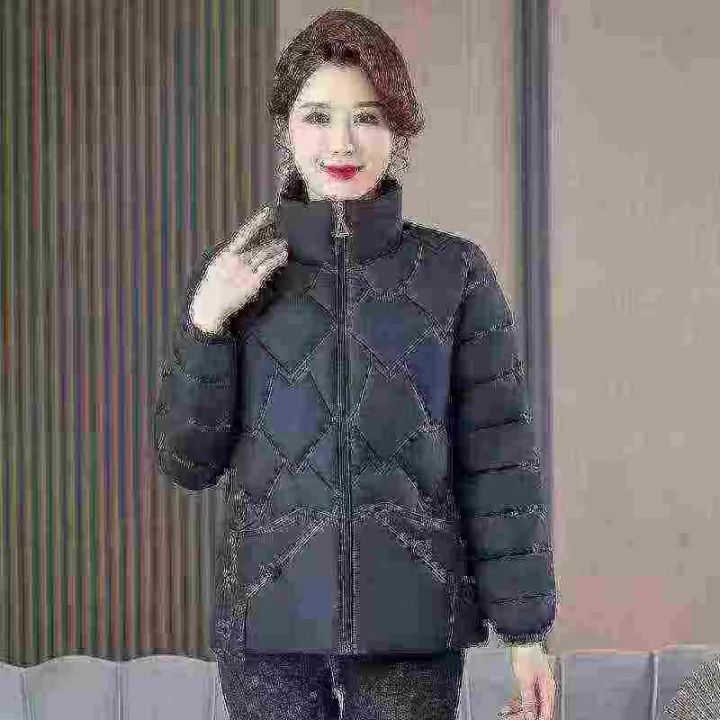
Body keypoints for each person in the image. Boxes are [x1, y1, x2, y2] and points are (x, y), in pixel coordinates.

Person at [153, 9, 557, 720]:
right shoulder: (235, 274)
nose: (341, 142)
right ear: (286, 129)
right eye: (317, 117)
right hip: (268, 632)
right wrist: (206, 324)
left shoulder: (455, 273)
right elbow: (188, 462)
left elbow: (499, 463)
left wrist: (526, 635)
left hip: (413, 632)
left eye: (367, 117)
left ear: (397, 131)